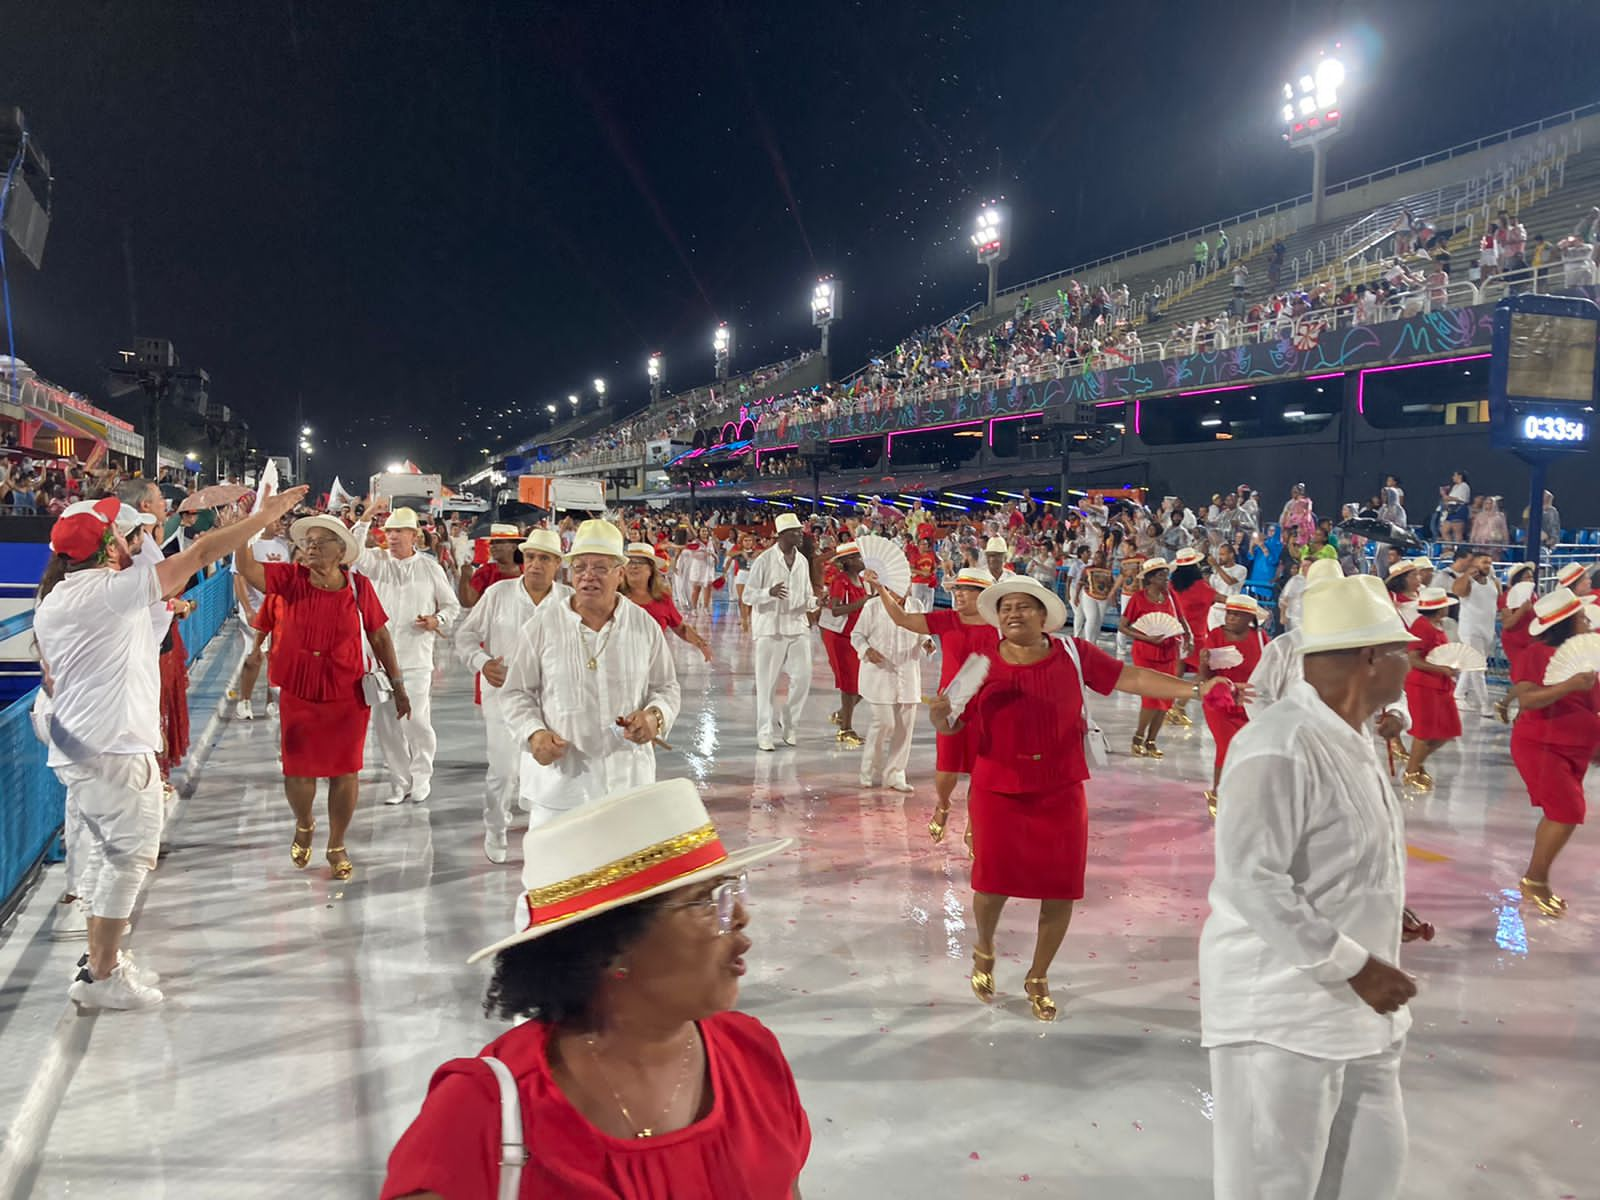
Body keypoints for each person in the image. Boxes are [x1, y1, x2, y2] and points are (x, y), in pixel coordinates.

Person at [380, 778, 808, 1199]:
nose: (738, 916)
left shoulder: (754, 1058)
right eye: (705, 899)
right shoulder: (483, 1113)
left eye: (733, 890)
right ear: (610, 947)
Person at [37, 486, 308, 1009]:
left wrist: (134, 548)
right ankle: (105, 974)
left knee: (107, 857)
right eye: (116, 530)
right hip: (114, 750)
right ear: (103, 549)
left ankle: (97, 963)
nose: (127, 534)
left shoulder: (61, 597)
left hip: (85, 749)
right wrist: (264, 517)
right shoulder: (108, 591)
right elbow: (203, 553)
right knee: (129, 859)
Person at [929, 576, 1242, 1022]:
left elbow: (1129, 676)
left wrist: (1194, 690)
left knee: (1060, 889)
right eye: (1006, 608)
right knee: (991, 884)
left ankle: (1038, 976)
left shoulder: (1073, 653)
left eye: (1023, 606)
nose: (1013, 614)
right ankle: (984, 947)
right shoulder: (980, 665)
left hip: (1060, 787)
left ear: (1044, 615)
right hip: (998, 788)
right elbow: (952, 724)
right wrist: (940, 717)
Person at [1202, 572, 1423, 1200]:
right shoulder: (1278, 745)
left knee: (1369, 1170)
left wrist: (1387, 904)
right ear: (1372, 658)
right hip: (1283, 1009)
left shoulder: (1350, 735)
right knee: (1274, 1180)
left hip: (1362, 1006)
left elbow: (1342, 851)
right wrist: (1352, 963)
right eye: (1403, 651)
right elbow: (1252, 880)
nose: (1412, 665)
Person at [235, 509, 410, 882]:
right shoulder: (291, 579)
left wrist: (398, 685)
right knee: (298, 769)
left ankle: (337, 843)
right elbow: (250, 571)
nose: (310, 547)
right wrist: (243, 531)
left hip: (346, 692)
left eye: (319, 542)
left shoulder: (359, 585)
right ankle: (304, 823)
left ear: (340, 550)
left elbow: (379, 636)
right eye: (307, 542)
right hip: (299, 690)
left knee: (346, 771)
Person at [500, 520, 681, 817]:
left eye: (600, 568)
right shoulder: (542, 626)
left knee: (627, 863)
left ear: (619, 573)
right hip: (560, 786)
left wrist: (655, 716)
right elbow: (516, 692)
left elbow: (666, 687)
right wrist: (534, 734)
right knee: (556, 864)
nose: (588, 577)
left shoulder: (643, 626)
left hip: (628, 783)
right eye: (580, 567)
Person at [452, 529, 572, 864]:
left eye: (544, 558)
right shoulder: (498, 594)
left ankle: (543, 835)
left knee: (547, 769)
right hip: (502, 696)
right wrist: (482, 662)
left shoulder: (568, 599)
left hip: (551, 700)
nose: (535, 565)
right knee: (503, 770)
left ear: (558, 564)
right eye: (531, 557)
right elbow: (465, 637)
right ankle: (496, 826)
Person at [874, 567, 995, 849]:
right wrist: (880, 588)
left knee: (982, 772)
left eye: (966, 590)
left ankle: (973, 825)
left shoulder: (1000, 627)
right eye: (956, 590)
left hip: (987, 710)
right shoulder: (947, 620)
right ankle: (943, 805)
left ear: (985, 596)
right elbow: (902, 619)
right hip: (949, 709)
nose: (958, 594)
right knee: (946, 770)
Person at [355, 507, 461, 805]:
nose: (392, 536)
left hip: (415, 659)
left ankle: (422, 776)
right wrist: (364, 519)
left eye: (399, 531)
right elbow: (351, 552)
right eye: (388, 531)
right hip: (377, 662)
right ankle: (399, 782)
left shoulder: (429, 568)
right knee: (386, 727)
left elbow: (451, 607)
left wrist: (436, 621)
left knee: (416, 721)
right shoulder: (375, 562)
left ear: (414, 535)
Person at [1508, 588, 1600, 917]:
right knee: (1568, 810)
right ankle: (1535, 880)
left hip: (1576, 748)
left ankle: (1537, 875)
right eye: (1581, 616)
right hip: (1542, 745)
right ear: (1565, 623)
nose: (1588, 619)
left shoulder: (1587, 657)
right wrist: (1570, 685)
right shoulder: (1534, 655)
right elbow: (1529, 700)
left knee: (1561, 811)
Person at [744, 514, 816, 752]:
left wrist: (816, 602)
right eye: (795, 532)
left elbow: (805, 597)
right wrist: (768, 593)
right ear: (783, 535)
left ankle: (789, 720)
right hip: (770, 628)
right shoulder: (764, 561)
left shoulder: (802, 562)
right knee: (767, 683)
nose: (800, 535)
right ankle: (764, 732)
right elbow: (747, 595)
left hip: (796, 626)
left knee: (803, 677)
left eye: (800, 531)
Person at [851, 583, 930, 792]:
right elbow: (856, 635)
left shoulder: (916, 605)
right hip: (880, 673)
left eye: (905, 586)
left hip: (908, 674)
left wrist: (927, 642)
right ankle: (868, 771)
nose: (901, 591)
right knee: (884, 723)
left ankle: (895, 774)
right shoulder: (873, 606)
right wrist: (866, 650)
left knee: (905, 727)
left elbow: (923, 633)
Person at [1199, 594, 1266, 817]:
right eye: (1228, 613)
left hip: (1248, 702)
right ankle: (1217, 793)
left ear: (1249, 618)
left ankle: (1239, 791)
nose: (1230, 618)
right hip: (1220, 701)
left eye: (1236, 615)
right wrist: (1203, 662)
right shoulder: (1216, 635)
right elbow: (1205, 678)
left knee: (1246, 749)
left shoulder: (1260, 638)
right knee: (1226, 747)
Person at [1119, 558, 1192, 757]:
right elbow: (1123, 626)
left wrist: (1188, 636)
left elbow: (1181, 619)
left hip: (1169, 653)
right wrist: (1146, 637)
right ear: (1150, 578)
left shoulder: (1171, 596)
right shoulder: (1138, 599)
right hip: (1146, 653)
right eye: (1161, 575)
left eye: (1166, 575)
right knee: (1151, 699)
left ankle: (1152, 740)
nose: (1165, 579)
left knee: (1165, 699)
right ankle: (1138, 737)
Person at [229, 514, 291, 719]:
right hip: (255, 610)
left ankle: (271, 702)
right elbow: (238, 578)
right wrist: (247, 608)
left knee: (276, 656)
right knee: (254, 656)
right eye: (275, 520)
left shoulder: (283, 546)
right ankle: (244, 700)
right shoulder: (249, 546)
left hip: (278, 609)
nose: (279, 523)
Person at [1400, 587, 1460, 792]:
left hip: (1439, 684)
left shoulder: (1438, 625)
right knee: (1424, 732)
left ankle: (1416, 763)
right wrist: (1440, 669)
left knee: (1446, 730)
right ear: (1440, 609)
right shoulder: (1421, 627)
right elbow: (1414, 659)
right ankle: (1411, 771)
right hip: (1423, 685)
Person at [819, 542, 871, 747]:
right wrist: (863, 601)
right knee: (850, 683)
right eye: (858, 557)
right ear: (848, 562)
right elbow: (835, 609)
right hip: (840, 637)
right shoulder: (841, 581)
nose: (862, 560)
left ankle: (842, 714)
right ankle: (845, 729)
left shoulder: (861, 580)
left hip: (856, 635)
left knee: (864, 684)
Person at [621, 544, 711, 662]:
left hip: (653, 661)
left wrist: (701, 643)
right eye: (630, 562)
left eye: (640, 562)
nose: (633, 566)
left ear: (651, 570)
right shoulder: (613, 595)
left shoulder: (663, 598)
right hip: (620, 662)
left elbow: (681, 628)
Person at [1170, 548, 1219, 730]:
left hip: (1176, 633)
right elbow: (1219, 598)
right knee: (1205, 672)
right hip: (1195, 636)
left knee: (1178, 670)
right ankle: (1179, 706)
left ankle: (1166, 706)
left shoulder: (1172, 585)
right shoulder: (1201, 587)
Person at [1451, 549, 1499, 719]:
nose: (1488, 565)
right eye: (1484, 562)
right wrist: (1467, 576)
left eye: (1490, 562)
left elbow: (1497, 598)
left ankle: (1457, 695)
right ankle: (1485, 705)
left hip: (1487, 628)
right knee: (1477, 667)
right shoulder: (1467, 581)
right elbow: (1458, 591)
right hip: (1470, 629)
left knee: (1471, 665)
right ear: (1474, 564)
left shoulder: (1493, 580)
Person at [460, 523, 522, 607]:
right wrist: (465, 577)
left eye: (499, 542)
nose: (493, 546)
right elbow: (468, 602)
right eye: (492, 542)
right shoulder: (486, 571)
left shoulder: (527, 571)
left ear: (513, 547)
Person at [1072, 548, 1116, 645]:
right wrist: (1076, 596)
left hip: (1103, 598)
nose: (1096, 560)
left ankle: (1094, 641)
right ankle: (1088, 641)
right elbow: (1080, 583)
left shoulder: (1108, 571)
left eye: (1098, 558)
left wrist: (1113, 599)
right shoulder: (1087, 569)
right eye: (1094, 558)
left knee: (1099, 621)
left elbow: (1112, 586)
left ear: (1103, 560)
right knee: (1091, 618)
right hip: (1089, 595)